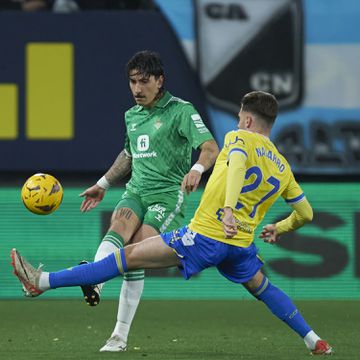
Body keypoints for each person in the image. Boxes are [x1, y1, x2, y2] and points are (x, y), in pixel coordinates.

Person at [11, 91, 333, 356]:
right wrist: (280, 227)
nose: (236, 123)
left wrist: (230, 209)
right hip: (240, 246)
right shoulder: (283, 167)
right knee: (263, 287)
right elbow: (306, 213)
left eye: (238, 118)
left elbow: (236, 165)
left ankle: (41, 282)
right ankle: (314, 340)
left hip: (206, 236)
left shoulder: (239, 138)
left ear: (247, 119)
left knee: (128, 257)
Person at [78, 50, 218, 351]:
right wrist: (103, 183)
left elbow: (210, 147)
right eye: (132, 82)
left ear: (160, 80)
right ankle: (97, 282)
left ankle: (119, 336)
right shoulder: (132, 115)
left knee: (135, 252)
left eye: (144, 81)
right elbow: (129, 154)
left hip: (167, 196)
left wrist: (196, 169)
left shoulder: (181, 111)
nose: (137, 89)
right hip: (136, 191)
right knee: (117, 228)